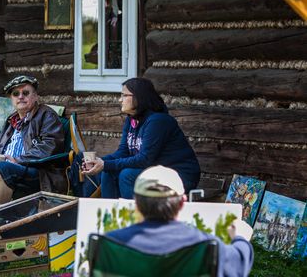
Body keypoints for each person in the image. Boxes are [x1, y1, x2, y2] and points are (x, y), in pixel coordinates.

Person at [106, 165, 254, 277]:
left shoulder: (109, 244)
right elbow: (238, 264)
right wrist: (240, 238)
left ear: (136, 204)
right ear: (182, 202)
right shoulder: (206, 246)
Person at [82, 77, 200, 199]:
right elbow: (123, 152)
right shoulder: (132, 119)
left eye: (124, 95)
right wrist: (98, 162)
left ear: (139, 97)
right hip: (155, 172)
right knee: (108, 172)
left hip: (179, 176)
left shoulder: (158, 121)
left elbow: (145, 159)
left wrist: (105, 164)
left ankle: (134, 216)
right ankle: (111, 214)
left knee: (127, 175)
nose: (120, 99)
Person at [0, 75, 65, 204]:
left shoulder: (46, 115)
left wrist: (16, 160)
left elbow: (50, 146)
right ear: (11, 99)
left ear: (35, 96)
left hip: (35, 171)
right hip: (4, 167)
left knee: (2, 168)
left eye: (25, 93)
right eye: (16, 94)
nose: (20, 96)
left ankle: (0, 216)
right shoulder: (12, 120)